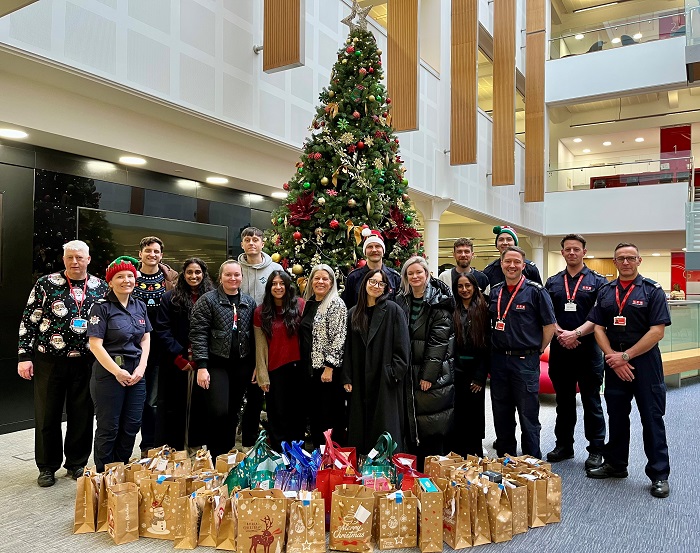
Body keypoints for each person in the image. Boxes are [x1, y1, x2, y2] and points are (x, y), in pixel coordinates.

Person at [18, 240, 108, 487]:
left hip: (87, 362)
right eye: (70, 257)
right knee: (47, 414)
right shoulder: (46, 283)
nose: (75, 262)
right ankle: (47, 467)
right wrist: (24, 356)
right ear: (64, 259)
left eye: (79, 257)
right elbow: (29, 320)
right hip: (50, 360)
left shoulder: (101, 287)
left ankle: (76, 463)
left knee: (82, 415)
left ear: (88, 259)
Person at [586, 243, 672, 499]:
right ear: (614, 262)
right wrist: (613, 357)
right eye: (621, 258)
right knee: (617, 416)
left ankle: (659, 475)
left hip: (644, 363)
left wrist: (625, 357)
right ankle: (616, 464)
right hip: (614, 362)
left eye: (630, 258)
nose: (625, 262)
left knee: (651, 418)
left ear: (639, 260)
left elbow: (657, 331)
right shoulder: (606, 291)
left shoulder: (652, 291)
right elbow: (598, 327)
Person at [544, 234, 607, 469]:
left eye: (576, 249)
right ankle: (564, 446)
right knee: (564, 402)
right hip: (560, 350)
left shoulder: (598, 281)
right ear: (562, 253)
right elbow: (548, 314)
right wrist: (562, 333)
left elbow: (599, 314)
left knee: (592, 402)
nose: (572, 253)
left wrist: (576, 334)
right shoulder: (552, 282)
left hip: (588, 350)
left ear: (584, 251)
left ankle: (596, 449)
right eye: (568, 249)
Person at [488, 246, 555, 459]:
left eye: (517, 262)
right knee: (501, 414)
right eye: (508, 261)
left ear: (523, 266)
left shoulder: (536, 291)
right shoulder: (496, 291)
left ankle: (531, 461)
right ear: (501, 264)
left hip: (525, 360)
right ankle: (505, 460)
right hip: (498, 360)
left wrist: (539, 349)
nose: (512, 265)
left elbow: (550, 326)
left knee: (528, 415)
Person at [87, 257, 151, 472]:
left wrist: (141, 367)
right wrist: (117, 372)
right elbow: (95, 345)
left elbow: (145, 338)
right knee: (109, 427)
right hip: (109, 373)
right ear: (110, 282)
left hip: (136, 373)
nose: (126, 280)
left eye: (130, 276)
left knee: (132, 425)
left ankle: (121, 468)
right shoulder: (101, 308)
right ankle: (105, 474)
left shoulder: (139, 305)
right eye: (120, 277)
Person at [189, 260, 256, 458]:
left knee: (234, 410)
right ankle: (214, 452)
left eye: (237, 275)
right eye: (228, 275)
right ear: (221, 277)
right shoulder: (208, 300)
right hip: (216, 364)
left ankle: (226, 455)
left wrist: (255, 366)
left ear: (242, 278)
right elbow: (198, 333)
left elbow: (254, 336)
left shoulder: (248, 302)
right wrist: (202, 365)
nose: (233, 278)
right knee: (218, 410)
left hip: (241, 365)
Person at [342, 269, 411, 453]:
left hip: (384, 380)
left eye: (380, 283)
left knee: (384, 428)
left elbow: (403, 347)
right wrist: (347, 377)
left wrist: (393, 373)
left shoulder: (393, 311)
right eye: (372, 281)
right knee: (360, 428)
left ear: (386, 288)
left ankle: (385, 468)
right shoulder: (353, 313)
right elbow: (347, 349)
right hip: (359, 379)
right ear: (365, 283)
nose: (376, 286)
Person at [396, 256, 455, 469]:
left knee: (432, 424)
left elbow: (438, 343)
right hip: (408, 372)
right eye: (410, 273)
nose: (414, 277)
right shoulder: (400, 300)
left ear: (427, 274)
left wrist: (428, 376)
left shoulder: (440, 301)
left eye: (418, 272)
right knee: (414, 424)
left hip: (432, 375)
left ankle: (433, 478)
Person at [153, 258, 214, 451]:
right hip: (175, 362)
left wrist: (200, 358)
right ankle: (173, 448)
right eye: (189, 272)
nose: (193, 276)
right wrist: (178, 356)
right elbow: (162, 330)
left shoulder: (212, 298)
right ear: (183, 274)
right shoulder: (169, 298)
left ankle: (195, 446)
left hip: (202, 361)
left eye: (198, 272)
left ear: (204, 274)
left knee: (199, 407)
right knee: (172, 406)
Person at [131, 236, 178, 453]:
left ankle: (150, 443)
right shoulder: (130, 277)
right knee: (136, 397)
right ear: (140, 254)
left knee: (155, 398)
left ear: (162, 255)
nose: (152, 255)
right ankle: (134, 444)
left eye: (156, 251)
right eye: (148, 251)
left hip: (161, 348)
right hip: (132, 347)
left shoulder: (172, 279)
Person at [238, 227, 283, 448]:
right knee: (243, 392)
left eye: (256, 239)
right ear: (242, 244)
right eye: (247, 240)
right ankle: (243, 439)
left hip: (266, 334)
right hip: (239, 336)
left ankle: (261, 440)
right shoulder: (236, 268)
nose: (252, 243)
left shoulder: (275, 268)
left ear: (263, 243)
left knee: (260, 392)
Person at [254, 270, 306, 450]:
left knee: (297, 415)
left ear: (287, 285)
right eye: (274, 284)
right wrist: (262, 374)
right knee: (277, 416)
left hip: (298, 368)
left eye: (282, 283)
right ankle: (279, 456)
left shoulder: (300, 305)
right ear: (269, 287)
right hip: (275, 370)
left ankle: (298, 456)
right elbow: (260, 347)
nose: (278, 287)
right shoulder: (260, 312)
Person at [301, 264, 348, 447]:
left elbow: (339, 337)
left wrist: (329, 367)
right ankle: (318, 459)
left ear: (331, 283)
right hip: (310, 370)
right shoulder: (309, 303)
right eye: (317, 278)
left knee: (328, 417)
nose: (320, 282)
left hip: (327, 373)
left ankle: (332, 459)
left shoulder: (336, 304)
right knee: (315, 417)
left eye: (325, 279)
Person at [449, 272, 490, 457]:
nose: (464, 290)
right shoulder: (451, 308)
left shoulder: (484, 309)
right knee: (457, 414)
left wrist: (480, 376)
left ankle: (474, 453)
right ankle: (457, 454)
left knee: (474, 415)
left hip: (476, 372)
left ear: (474, 287)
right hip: (455, 370)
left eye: (468, 286)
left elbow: (487, 345)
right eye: (460, 286)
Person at [341, 230, 402, 309]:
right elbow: (346, 307)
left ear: (383, 251)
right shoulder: (353, 278)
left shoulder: (394, 277)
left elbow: (399, 307)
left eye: (377, 246)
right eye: (370, 247)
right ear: (365, 252)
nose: (374, 250)